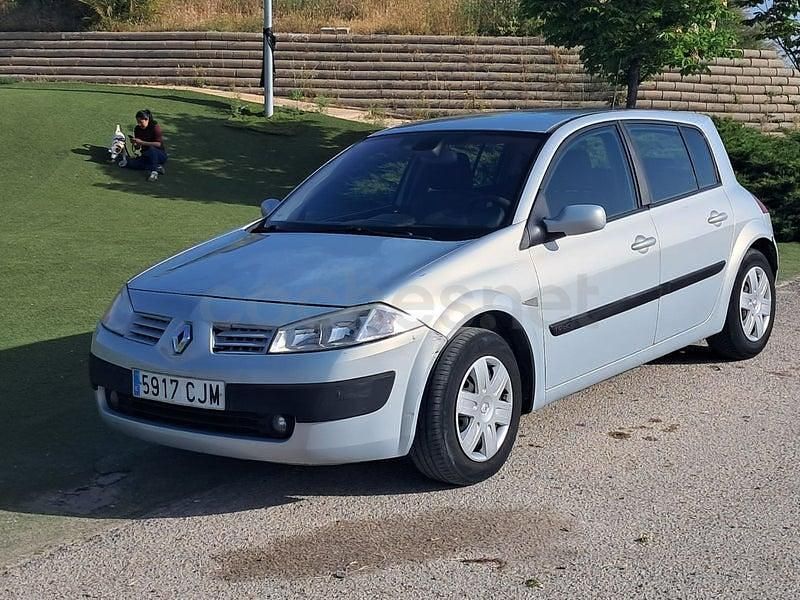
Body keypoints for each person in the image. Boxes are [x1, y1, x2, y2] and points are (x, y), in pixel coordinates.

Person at [119, 109, 168, 182]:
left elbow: (158, 144)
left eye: (141, 122)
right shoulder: (137, 129)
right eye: (138, 122)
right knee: (131, 163)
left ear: (147, 119)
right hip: (146, 154)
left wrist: (142, 142)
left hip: (159, 154)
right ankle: (157, 166)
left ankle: (154, 172)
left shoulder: (155, 127)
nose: (139, 124)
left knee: (151, 149)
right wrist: (135, 143)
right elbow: (138, 147)